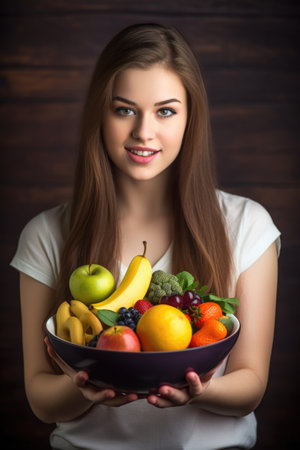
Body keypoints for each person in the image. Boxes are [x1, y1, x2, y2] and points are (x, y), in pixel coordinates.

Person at [10, 23, 280, 450]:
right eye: (124, 109)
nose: (143, 132)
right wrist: (80, 389)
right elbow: (41, 400)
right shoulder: (45, 235)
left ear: (191, 117)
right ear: (100, 114)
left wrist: (204, 390)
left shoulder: (247, 226)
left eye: (166, 111)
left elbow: (252, 386)